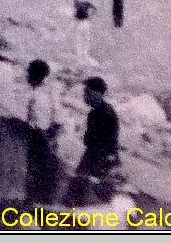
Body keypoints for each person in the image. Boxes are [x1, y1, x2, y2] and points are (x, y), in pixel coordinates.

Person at [64, 76, 120, 206]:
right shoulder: (97, 112)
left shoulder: (105, 113)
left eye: (87, 92)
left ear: (97, 93)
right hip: (94, 155)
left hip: (98, 158)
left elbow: (109, 141)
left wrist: (103, 160)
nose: (85, 95)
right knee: (79, 188)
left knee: (83, 190)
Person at [25, 59, 61, 203]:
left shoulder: (35, 95)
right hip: (47, 137)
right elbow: (57, 119)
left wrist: (43, 136)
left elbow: (34, 122)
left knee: (36, 173)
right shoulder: (51, 91)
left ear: (33, 75)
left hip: (38, 137)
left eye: (28, 73)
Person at [72, 0, 97, 64]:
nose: (76, 0)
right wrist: (90, 16)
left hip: (81, 23)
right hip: (86, 23)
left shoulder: (77, 5)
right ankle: (85, 55)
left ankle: (82, 56)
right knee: (85, 39)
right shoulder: (84, 3)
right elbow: (94, 8)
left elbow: (76, 16)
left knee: (80, 39)